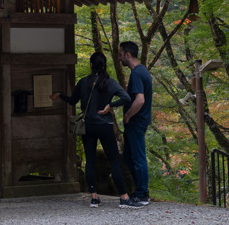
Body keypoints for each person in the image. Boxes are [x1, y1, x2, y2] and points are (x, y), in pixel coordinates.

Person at [51, 52, 143, 208]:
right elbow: (126, 98)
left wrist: (60, 96)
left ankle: (94, 197)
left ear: (91, 65)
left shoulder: (83, 82)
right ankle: (124, 197)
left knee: (90, 160)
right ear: (104, 65)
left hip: (87, 126)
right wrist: (110, 106)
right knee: (114, 161)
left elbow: (73, 101)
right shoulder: (110, 83)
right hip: (104, 125)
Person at [120, 40, 153, 206]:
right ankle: (139, 191)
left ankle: (142, 194)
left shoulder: (137, 74)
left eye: (120, 55)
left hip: (136, 121)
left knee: (138, 157)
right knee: (128, 156)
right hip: (138, 121)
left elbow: (140, 100)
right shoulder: (142, 71)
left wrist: (128, 115)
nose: (120, 59)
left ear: (128, 54)